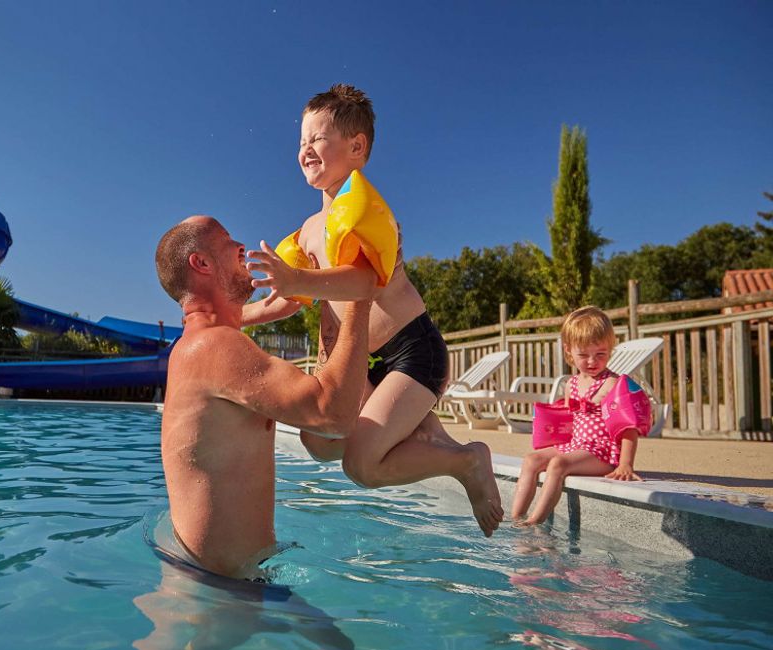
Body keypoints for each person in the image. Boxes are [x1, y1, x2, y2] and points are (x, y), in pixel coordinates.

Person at [241, 83, 503, 536]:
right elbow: (289, 299)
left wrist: (297, 279)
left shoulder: (365, 212)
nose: (305, 149)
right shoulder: (307, 232)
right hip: (365, 365)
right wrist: (233, 318)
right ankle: (430, 436)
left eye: (317, 139)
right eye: (301, 141)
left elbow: (363, 283)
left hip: (412, 351)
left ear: (356, 146)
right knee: (317, 439)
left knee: (360, 464)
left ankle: (465, 461)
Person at [155, 215, 373, 579]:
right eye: (227, 240)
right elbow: (333, 415)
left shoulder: (197, 343)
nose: (241, 246)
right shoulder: (215, 346)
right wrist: (360, 291)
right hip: (218, 596)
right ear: (202, 262)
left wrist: (306, 284)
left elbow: (260, 310)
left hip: (214, 577)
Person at [512, 306, 642, 526]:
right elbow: (567, 424)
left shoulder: (612, 384)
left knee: (558, 464)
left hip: (602, 452)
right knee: (531, 459)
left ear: (610, 349)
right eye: (583, 355)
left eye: (600, 354)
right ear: (569, 351)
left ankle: (534, 522)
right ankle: (515, 518)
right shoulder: (571, 384)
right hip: (577, 446)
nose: (592, 361)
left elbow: (628, 427)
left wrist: (625, 464)